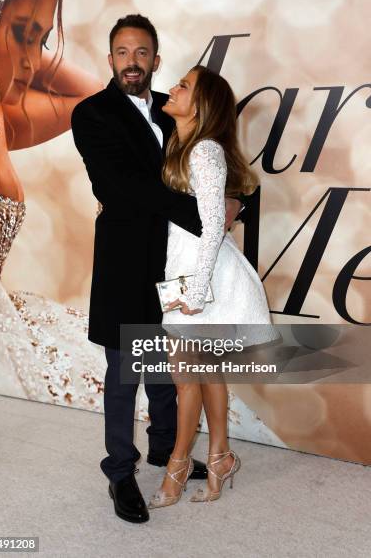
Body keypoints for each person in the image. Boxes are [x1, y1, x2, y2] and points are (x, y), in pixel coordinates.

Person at [71, 14, 242, 524]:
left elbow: (216, 163)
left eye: (142, 52)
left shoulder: (175, 111)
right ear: (110, 61)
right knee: (125, 374)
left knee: (171, 374)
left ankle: (170, 452)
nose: (132, 62)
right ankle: (121, 473)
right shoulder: (92, 114)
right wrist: (204, 214)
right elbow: (122, 187)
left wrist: (235, 205)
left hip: (175, 263)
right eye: (122, 52)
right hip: (126, 264)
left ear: (155, 61)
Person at [0, 0, 108, 407]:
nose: (32, 61)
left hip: (2, 331)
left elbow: (102, 104)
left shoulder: (1, 115)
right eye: (22, 33)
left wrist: (17, 52)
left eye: (41, 40)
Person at [148, 65, 279, 508]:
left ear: (201, 105)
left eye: (183, 86)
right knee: (205, 377)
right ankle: (220, 456)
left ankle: (177, 469)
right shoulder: (182, 144)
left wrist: (196, 293)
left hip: (200, 278)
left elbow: (210, 229)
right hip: (187, 274)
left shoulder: (204, 152)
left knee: (188, 381)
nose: (172, 88)